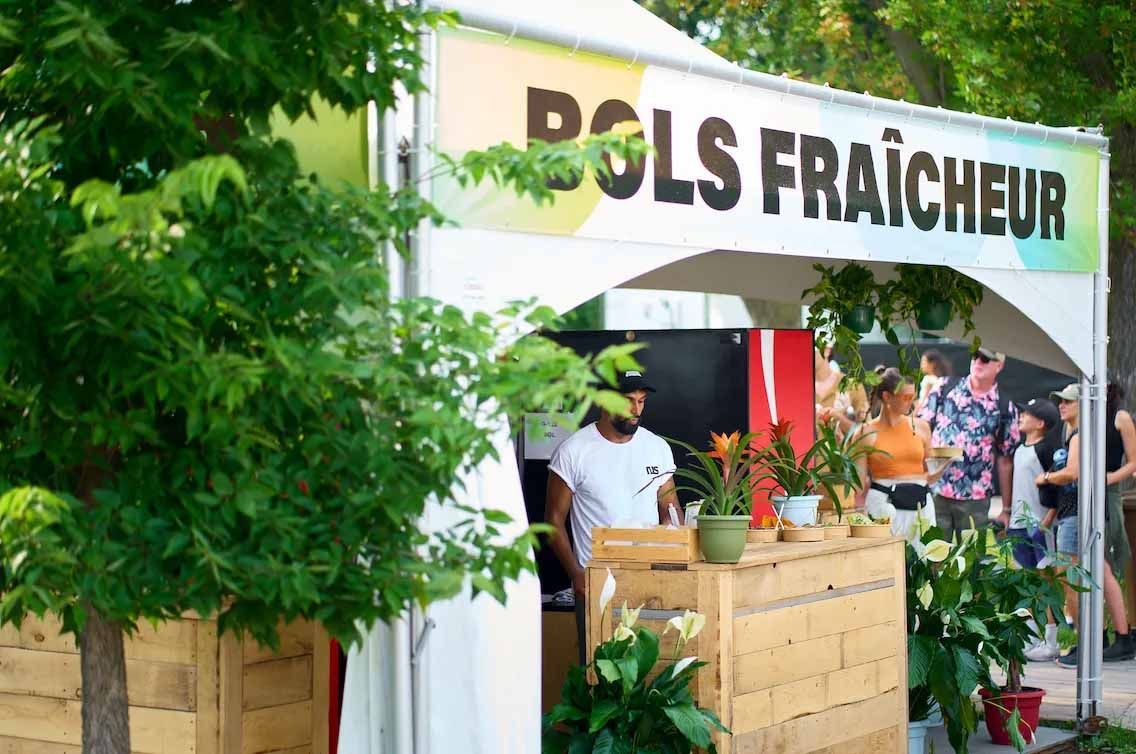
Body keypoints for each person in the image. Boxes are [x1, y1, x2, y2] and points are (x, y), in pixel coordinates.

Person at [545, 370, 680, 664]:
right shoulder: (573, 451)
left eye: (641, 401)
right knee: (600, 672)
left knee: (650, 671)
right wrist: (576, 575)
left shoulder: (656, 447)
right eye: (628, 401)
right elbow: (553, 521)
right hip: (598, 584)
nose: (636, 410)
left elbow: (671, 511)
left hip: (650, 580)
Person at [1037, 384, 1135, 665]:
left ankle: (1100, 638)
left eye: (1069, 401)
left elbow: (1074, 473)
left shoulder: (1093, 429)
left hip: (1089, 506)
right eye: (1060, 401)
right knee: (1095, 571)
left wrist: (1046, 478)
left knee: (1084, 574)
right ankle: (1103, 637)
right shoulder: (1076, 432)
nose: (1062, 405)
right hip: (1080, 507)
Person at [918, 347, 1020, 542]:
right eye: (975, 356)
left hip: (975, 496)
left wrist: (1006, 509)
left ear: (999, 365)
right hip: (936, 489)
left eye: (985, 358)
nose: (978, 361)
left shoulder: (1004, 406)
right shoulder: (944, 387)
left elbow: (1005, 460)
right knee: (932, 557)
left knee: (973, 562)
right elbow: (921, 426)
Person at [854, 368, 943, 541]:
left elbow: (929, 476)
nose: (912, 402)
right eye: (906, 397)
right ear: (887, 397)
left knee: (924, 560)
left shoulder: (921, 427)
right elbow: (857, 485)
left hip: (921, 504)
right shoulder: (866, 433)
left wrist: (945, 464)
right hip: (883, 505)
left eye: (913, 397)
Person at [1007, 398, 1063, 662]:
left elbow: (1054, 488)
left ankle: (1050, 639)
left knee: (1044, 580)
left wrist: (1048, 518)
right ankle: (1030, 638)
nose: (1020, 418)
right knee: (1026, 581)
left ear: (1040, 423)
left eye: (1026, 415)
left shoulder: (1046, 450)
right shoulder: (1019, 449)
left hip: (1039, 523)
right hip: (1018, 523)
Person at [915, 349, 952, 413]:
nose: (921, 366)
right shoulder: (940, 380)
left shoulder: (929, 380)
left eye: (924, 363)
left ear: (932, 364)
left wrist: (914, 415)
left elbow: (924, 401)